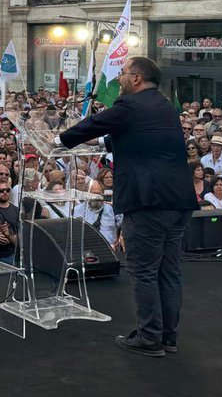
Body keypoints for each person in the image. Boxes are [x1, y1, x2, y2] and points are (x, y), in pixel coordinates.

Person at [57, 56, 195, 357]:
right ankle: (168, 337)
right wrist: (106, 145)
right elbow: (139, 137)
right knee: (168, 271)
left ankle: (149, 337)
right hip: (178, 201)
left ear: (136, 78)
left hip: (148, 202)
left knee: (143, 270)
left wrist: (59, 139)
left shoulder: (130, 105)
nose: (118, 79)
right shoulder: (164, 106)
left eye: (122, 74)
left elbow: (93, 123)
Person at [73, 180, 122, 250]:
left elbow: (124, 224)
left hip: (111, 250)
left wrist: (120, 237)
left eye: (98, 194)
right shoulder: (78, 210)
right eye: (92, 194)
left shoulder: (111, 209)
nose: (95, 197)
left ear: (103, 194)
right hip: (87, 251)